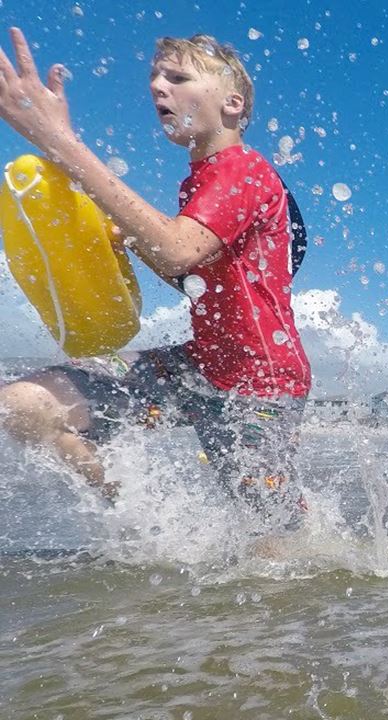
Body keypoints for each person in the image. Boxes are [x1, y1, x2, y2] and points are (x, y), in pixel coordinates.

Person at [0, 30, 311, 531]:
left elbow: (175, 248)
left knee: (270, 551)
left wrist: (56, 140)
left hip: (262, 384)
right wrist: (128, 244)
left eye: (178, 77)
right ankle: (145, 525)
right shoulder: (198, 180)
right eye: (155, 78)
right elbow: (194, 278)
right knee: (23, 406)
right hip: (195, 365)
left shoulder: (244, 169)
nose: (157, 87)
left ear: (232, 104)